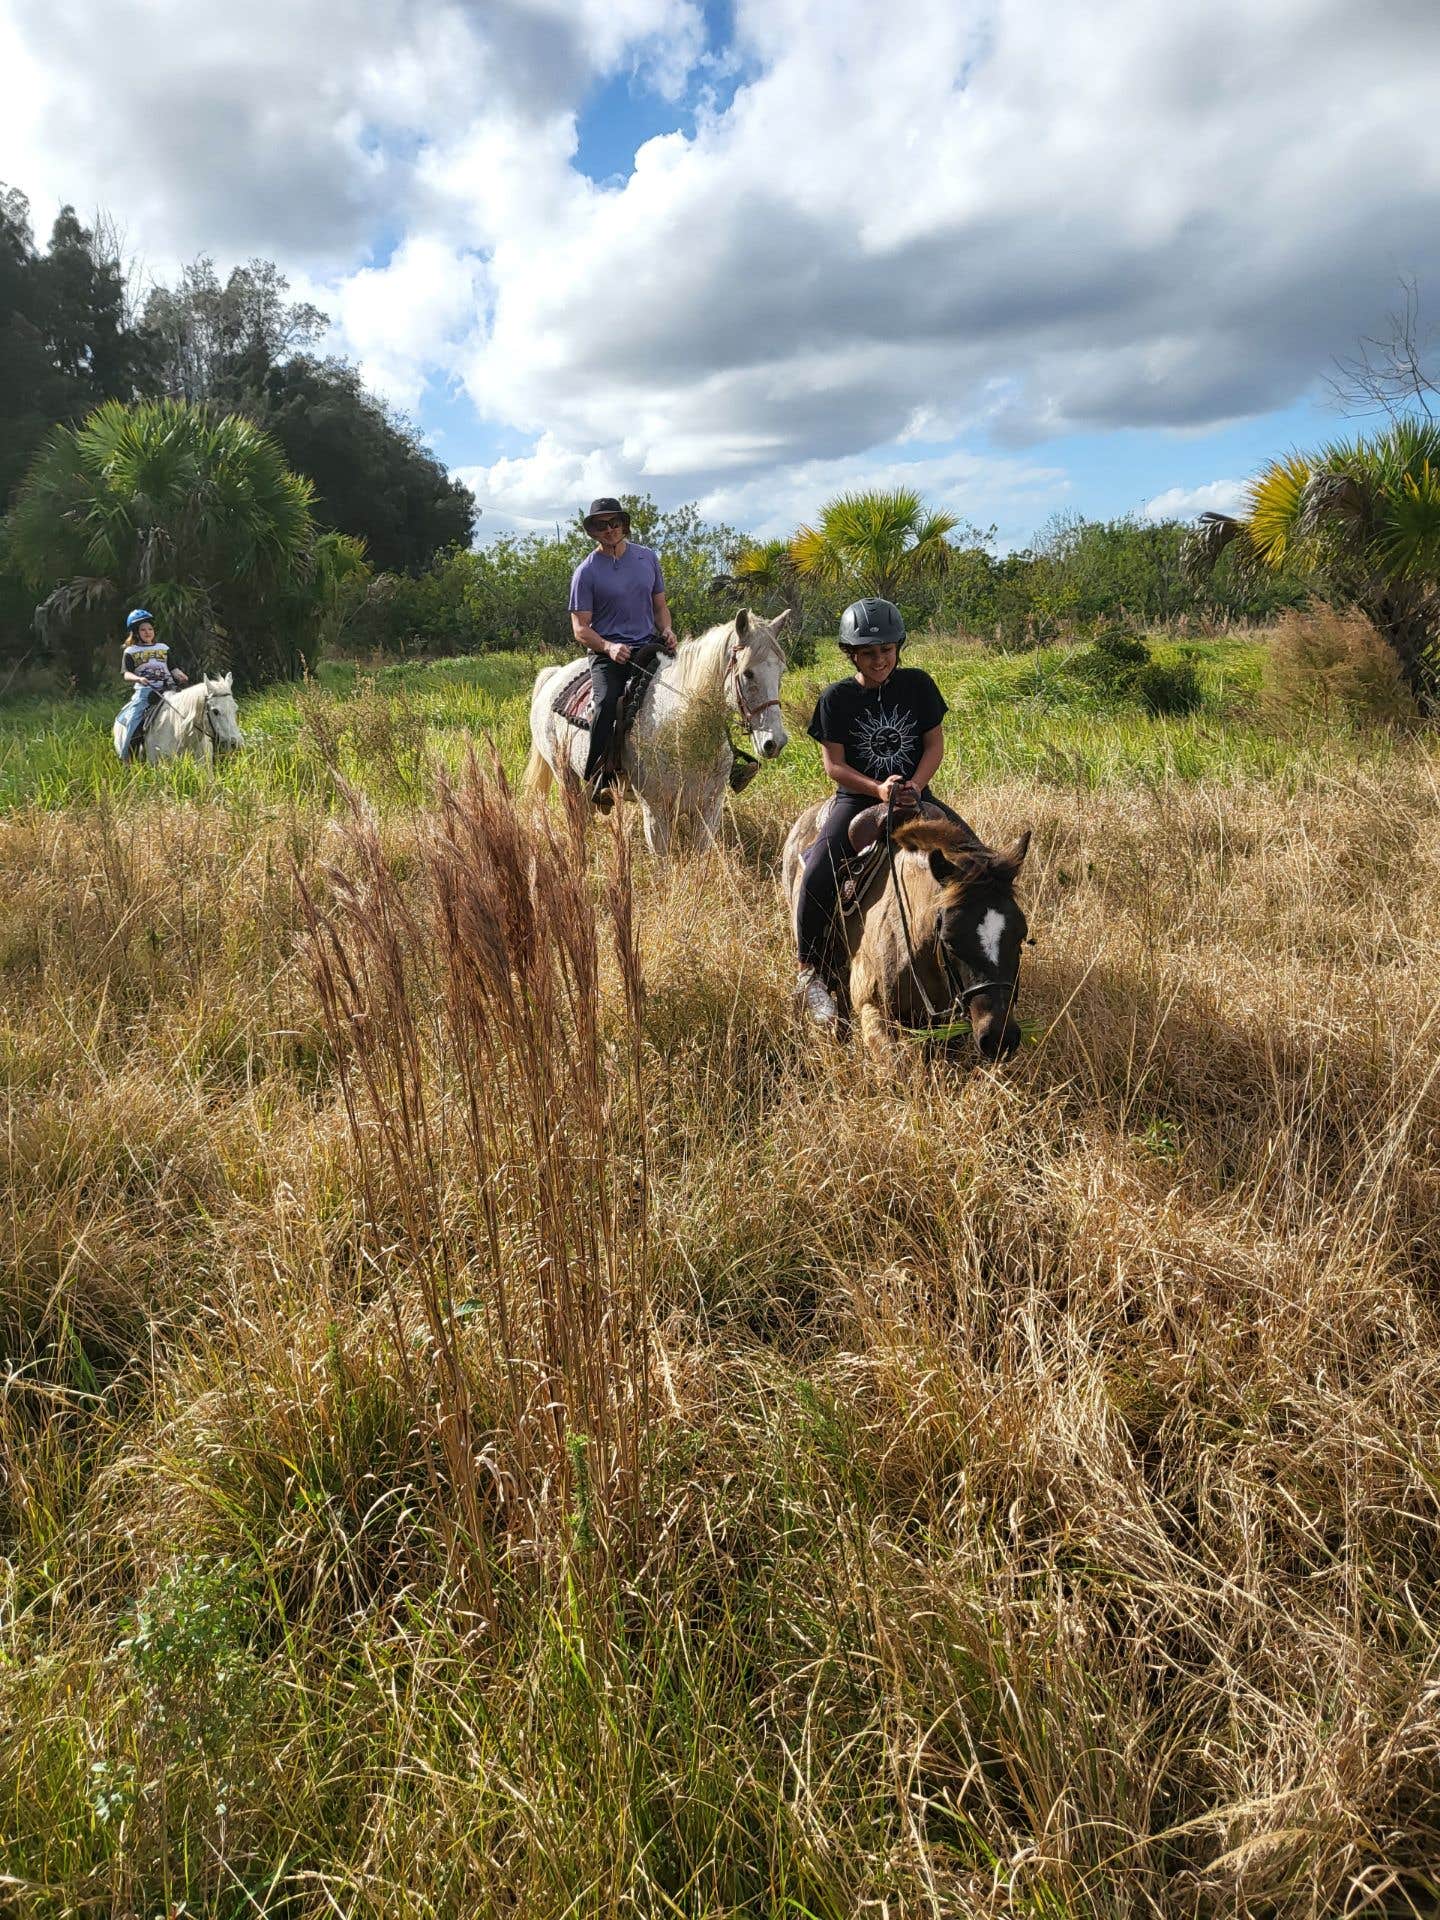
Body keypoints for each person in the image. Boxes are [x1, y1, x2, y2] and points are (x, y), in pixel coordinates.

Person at [794, 598, 949, 1028]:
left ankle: (980, 966)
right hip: (859, 798)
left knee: (977, 860)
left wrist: (915, 786)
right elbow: (834, 766)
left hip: (916, 795)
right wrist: (878, 790)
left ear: (898, 647)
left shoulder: (918, 685)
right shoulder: (836, 699)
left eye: (886, 650)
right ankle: (810, 972)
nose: (879, 660)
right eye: (868, 652)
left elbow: (933, 745)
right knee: (819, 870)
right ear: (851, 654)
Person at [567, 498, 676, 809]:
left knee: (693, 685)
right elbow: (580, 629)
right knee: (604, 704)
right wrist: (608, 647)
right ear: (593, 531)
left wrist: (667, 630)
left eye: (614, 523)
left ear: (624, 525)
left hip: (648, 645)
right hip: (608, 652)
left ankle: (727, 763)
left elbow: (660, 607)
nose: (610, 529)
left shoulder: (647, 558)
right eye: (602, 525)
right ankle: (599, 778)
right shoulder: (586, 572)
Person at [115, 609, 189, 763]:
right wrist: (139, 678)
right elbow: (126, 673)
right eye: (143, 630)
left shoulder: (163, 648)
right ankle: (127, 756)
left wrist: (180, 675)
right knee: (134, 720)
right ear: (136, 633)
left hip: (169, 689)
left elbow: (172, 668)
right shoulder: (131, 651)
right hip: (146, 692)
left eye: (150, 629)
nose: (147, 632)